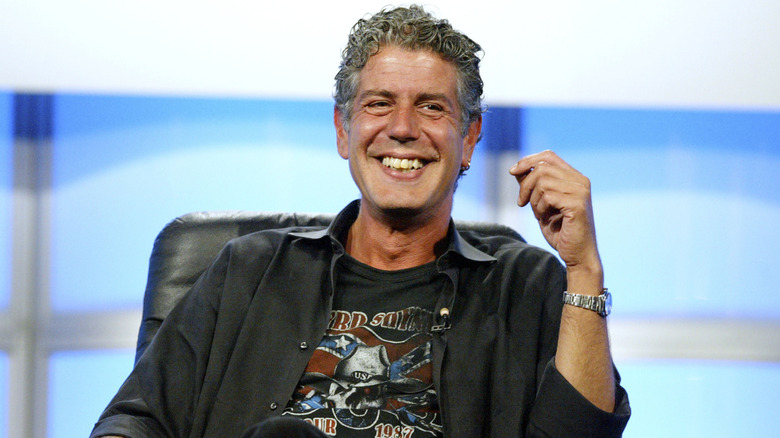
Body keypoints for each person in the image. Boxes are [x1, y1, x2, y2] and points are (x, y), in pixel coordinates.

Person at [92, 5, 630, 437]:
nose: (403, 128)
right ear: (342, 129)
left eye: (432, 107)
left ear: (469, 138)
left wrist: (583, 269)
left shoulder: (525, 285)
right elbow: (136, 419)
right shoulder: (248, 269)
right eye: (379, 104)